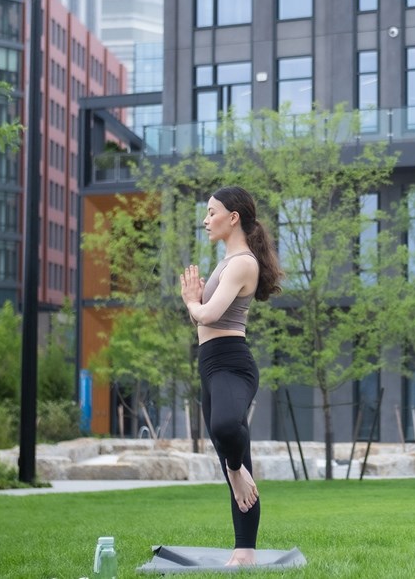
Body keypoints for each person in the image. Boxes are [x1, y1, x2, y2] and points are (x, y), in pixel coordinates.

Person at [180, 186, 283, 566]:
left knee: (227, 433)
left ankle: (237, 470)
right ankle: (244, 551)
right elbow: (204, 319)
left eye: (212, 212)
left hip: (231, 363)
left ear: (233, 217)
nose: (206, 220)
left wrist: (191, 300)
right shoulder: (225, 262)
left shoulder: (242, 263)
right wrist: (195, 303)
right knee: (232, 453)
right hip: (210, 363)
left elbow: (207, 315)